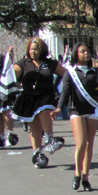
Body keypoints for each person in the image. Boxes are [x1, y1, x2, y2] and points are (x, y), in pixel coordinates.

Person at [54, 43, 98, 191]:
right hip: (76, 110)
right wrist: (58, 108)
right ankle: (77, 174)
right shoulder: (70, 72)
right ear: (76, 54)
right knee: (81, 143)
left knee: (89, 144)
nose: (86, 54)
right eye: (82, 52)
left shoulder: (94, 72)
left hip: (92, 109)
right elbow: (65, 92)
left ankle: (86, 178)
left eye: (87, 51)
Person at [10, 37, 66, 168]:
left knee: (45, 110)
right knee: (34, 128)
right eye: (31, 49)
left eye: (36, 49)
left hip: (46, 95)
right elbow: (11, 76)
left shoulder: (50, 63)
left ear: (42, 50)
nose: (33, 51)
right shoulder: (23, 63)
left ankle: (50, 139)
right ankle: (37, 154)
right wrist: (10, 60)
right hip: (29, 98)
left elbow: (66, 74)